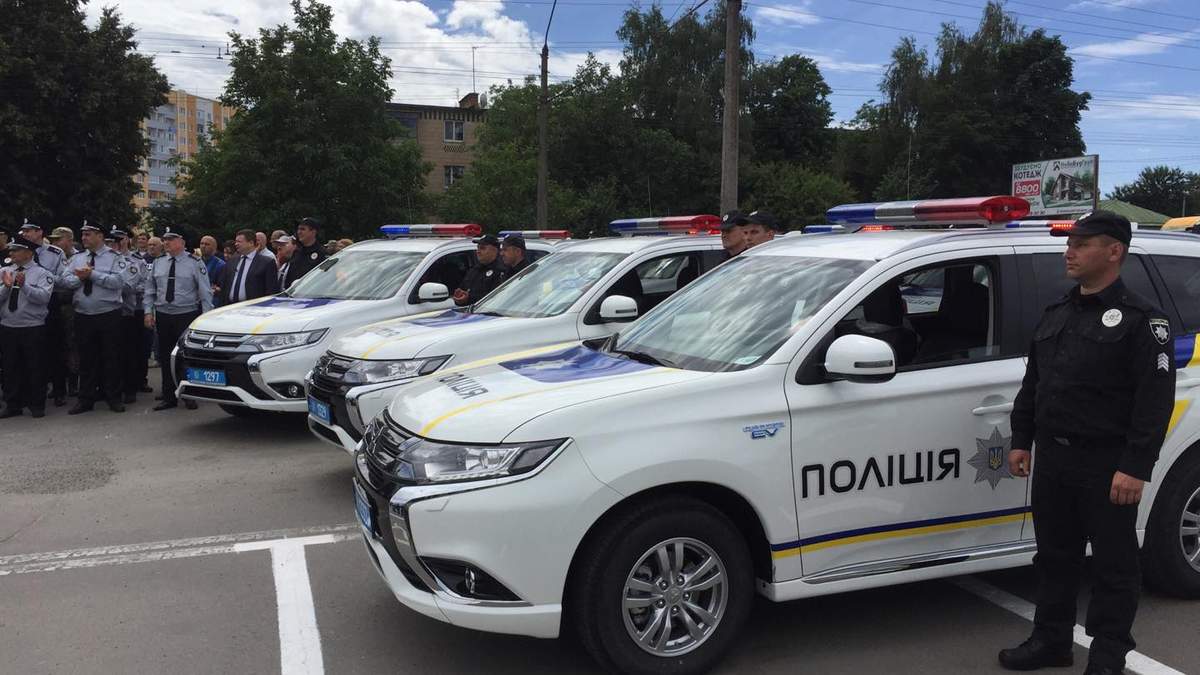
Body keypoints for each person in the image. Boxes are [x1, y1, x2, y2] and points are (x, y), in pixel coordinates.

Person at [1000, 211, 1176, 675]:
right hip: (1055, 459)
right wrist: (1021, 438)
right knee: (1054, 557)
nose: (1069, 252)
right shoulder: (1057, 312)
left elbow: (1154, 403)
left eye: (1081, 244)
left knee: (1114, 566)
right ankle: (1051, 641)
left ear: (1114, 251)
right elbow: (1035, 383)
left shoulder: (1143, 321)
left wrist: (1135, 466)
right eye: (1069, 244)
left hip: (1107, 463)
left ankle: (1107, 656)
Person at [59, 221, 128, 414]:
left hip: (109, 314)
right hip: (83, 315)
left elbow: (119, 282)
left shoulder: (115, 257)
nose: (84, 238)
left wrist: (93, 275)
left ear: (100, 236)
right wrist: (80, 278)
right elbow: (65, 280)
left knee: (111, 357)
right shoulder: (78, 258)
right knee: (86, 359)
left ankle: (113, 397)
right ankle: (85, 399)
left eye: (88, 234)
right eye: (83, 235)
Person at [144, 227, 212, 411]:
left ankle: (189, 393)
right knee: (166, 356)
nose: (166, 242)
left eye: (171, 239)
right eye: (165, 239)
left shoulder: (194, 262)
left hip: (186, 314)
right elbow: (150, 289)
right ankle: (169, 395)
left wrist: (206, 318)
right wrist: (148, 312)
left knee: (186, 356)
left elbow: (205, 291)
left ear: (182, 242)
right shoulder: (158, 262)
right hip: (163, 314)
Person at [0, 234, 55, 418]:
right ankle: (13, 404)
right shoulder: (5, 271)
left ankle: (36, 404)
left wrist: (24, 286)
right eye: (11, 250)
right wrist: (6, 287)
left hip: (32, 327)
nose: (11, 253)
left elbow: (43, 298)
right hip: (8, 326)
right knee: (10, 367)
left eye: (16, 250)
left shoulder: (42, 273)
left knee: (35, 367)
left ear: (28, 253)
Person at [109, 226, 147, 404]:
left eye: (121, 238)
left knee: (129, 351)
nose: (117, 242)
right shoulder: (107, 258)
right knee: (111, 352)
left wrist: (128, 287)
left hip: (129, 310)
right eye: (114, 238)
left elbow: (144, 283)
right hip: (108, 310)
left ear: (128, 240)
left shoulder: (137, 260)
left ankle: (130, 387)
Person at [220, 229, 280, 304]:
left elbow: (271, 290)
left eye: (239, 242)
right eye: (236, 241)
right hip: (231, 307)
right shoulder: (232, 261)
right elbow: (225, 286)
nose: (236, 244)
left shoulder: (266, 262)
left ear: (251, 243)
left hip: (254, 308)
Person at [453, 234, 504, 306]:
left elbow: (495, 299)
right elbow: (463, 289)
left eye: (482, 248)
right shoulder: (474, 270)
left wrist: (469, 299)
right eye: (478, 248)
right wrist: (459, 296)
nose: (478, 251)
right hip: (468, 311)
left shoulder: (501, 271)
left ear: (495, 250)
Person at [283, 217, 327, 288]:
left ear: (313, 232)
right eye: (298, 229)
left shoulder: (322, 253)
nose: (299, 232)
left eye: (303, 229)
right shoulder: (297, 252)